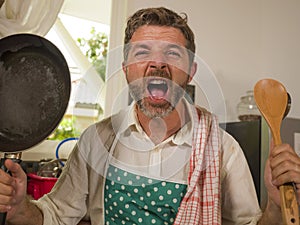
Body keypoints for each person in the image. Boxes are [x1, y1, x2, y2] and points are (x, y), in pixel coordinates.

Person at [1, 7, 300, 225]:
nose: (158, 65)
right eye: (143, 52)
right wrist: (19, 207)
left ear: (191, 71)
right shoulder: (97, 140)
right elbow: (53, 217)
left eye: (172, 53)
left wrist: (275, 205)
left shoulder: (223, 148)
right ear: (126, 66)